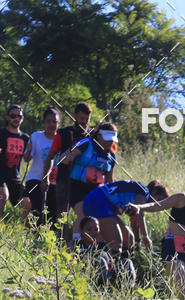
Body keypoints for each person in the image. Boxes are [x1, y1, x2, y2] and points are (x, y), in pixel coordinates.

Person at [126, 175, 185, 300]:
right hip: (173, 249)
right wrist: (139, 207)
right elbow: (157, 205)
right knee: (182, 293)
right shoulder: (181, 199)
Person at [82, 179, 168, 281]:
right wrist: (146, 238)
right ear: (154, 193)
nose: (158, 205)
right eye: (160, 200)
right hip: (98, 201)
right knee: (116, 243)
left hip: (102, 203)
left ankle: (124, 272)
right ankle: (107, 277)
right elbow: (140, 214)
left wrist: (137, 240)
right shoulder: (144, 191)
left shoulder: (136, 196)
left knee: (129, 239)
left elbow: (134, 220)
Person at [59, 122, 118, 242]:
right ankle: (76, 244)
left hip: (95, 190)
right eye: (106, 139)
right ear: (99, 136)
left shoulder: (111, 156)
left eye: (111, 140)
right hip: (76, 186)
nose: (109, 142)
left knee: (97, 218)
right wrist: (67, 157)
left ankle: (95, 247)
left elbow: (109, 180)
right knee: (83, 213)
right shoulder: (86, 143)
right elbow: (65, 159)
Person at [41, 101, 91, 235]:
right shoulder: (63, 133)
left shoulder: (92, 136)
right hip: (65, 179)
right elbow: (50, 157)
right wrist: (45, 178)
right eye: (81, 118)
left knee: (87, 213)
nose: (84, 122)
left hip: (85, 181)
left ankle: (83, 243)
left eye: (87, 119)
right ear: (75, 116)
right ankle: (61, 241)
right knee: (62, 214)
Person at [22, 106, 60, 225]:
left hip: (53, 181)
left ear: (59, 123)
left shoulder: (61, 138)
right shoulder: (36, 136)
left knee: (51, 214)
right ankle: (31, 234)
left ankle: (47, 239)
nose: (51, 124)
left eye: (54, 121)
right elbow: (26, 159)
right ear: (43, 122)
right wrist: (28, 151)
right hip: (35, 178)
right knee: (37, 209)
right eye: (48, 121)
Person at [0, 104, 31, 222]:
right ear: (7, 117)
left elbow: (29, 158)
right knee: (3, 196)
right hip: (1, 173)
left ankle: (23, 231)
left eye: (19, 116)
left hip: (14, 175)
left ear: (22, 119)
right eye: (13, 115)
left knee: (27, 202)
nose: (16, 118)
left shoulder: (26, 138)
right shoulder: (1, 133)